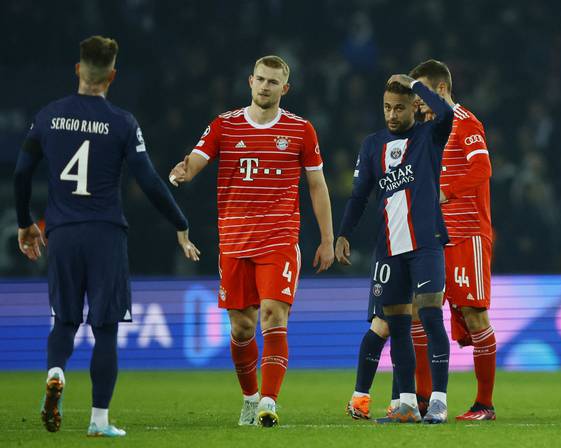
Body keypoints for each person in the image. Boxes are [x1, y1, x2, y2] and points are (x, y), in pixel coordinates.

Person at [13, 36, 200, 438]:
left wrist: (25, 221)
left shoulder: (48, 116)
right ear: (112, 76)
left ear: (78, 70)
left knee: (64, 322)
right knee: (106, 330)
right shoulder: (121, 122)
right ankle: (98, 421)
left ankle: (56, 371)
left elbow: (20, 173)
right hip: (105, 235)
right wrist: (180, 222)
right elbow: (149, 181)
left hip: (61, 233)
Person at [168, 55, 335, 427]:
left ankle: (269, 403)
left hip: (278, 238)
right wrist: (186, 170)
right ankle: (249, 398)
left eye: (273, 82)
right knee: (242, 328)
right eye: (260, 79)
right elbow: (198, 157)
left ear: (284, 89)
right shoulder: (224, 125)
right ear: (250, 82)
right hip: (234, 241)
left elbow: (316, 184)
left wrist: (327, 238)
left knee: (275, 316)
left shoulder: (300, 130)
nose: (265, 86)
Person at [337, 73, 452, 424]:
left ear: (414, 109)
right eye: (387, 107)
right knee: (398, 328)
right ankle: (405, 405)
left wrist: (417, 85)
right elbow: (359, 197)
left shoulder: (429, 136)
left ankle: (438, 402)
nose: (391, 114)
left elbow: (446, 114)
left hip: (426, 243)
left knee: (430, 316)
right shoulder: (373, 145)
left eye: (399, 108)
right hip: (390, 248)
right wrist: (343, 234)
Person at [411, 60, 496, 421]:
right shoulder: (429, 131)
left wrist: (447, 192)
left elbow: (482, 168)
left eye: (422, 95)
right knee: (421, 312)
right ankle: (421, 398)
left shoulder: (466, 122)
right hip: (433, 238)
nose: (418, 104)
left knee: (474, 315)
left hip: (467, 235)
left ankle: (484, 404)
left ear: (441, 90)